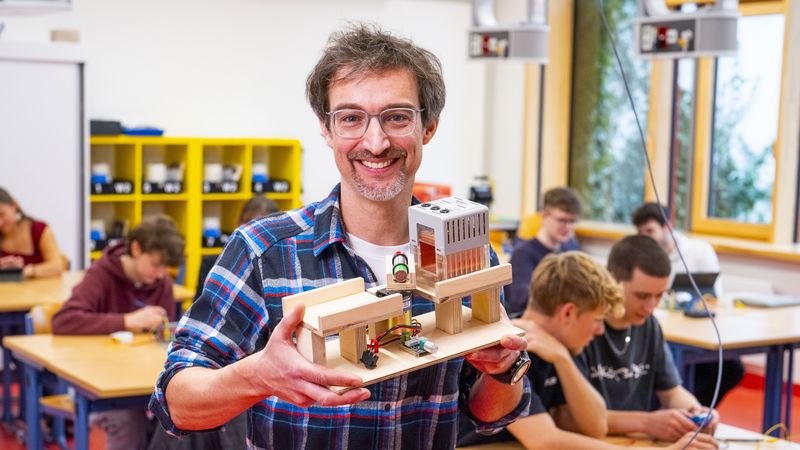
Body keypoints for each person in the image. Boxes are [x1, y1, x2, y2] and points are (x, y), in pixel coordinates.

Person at [150, 24, 531, 450]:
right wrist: (256, 376)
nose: (376, 141)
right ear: (327, 131)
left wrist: (501, 371)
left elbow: (490, 415)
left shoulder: (468, 253)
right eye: (351, 118)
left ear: (429, 127)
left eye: (397, 116)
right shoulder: (263, 252)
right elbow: (174, 404)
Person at [459, 252, 717, 450]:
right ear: (568, 312)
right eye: (597, 320)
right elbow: (546, 441)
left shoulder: (558, 349)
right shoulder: (508, 348)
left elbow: (595, 426)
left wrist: (562, 359)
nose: (600, 331)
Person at [52, 214, 185, 450]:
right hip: (95, 382)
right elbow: (64, 321)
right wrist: (126, 321)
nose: (161, 274)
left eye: (166, 268)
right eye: (156, 264)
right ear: (135, 248)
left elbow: (166, 337)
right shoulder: (102, 273)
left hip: (141, 381)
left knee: (179, 417)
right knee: (128, 420)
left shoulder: (161, 283)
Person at [576, 235, 720, 443]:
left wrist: (695, 411)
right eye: (642, 296)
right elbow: (572, 417)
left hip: (635, 442)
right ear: (611, 280)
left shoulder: (649, 325)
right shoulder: (585, 327)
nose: (651, 306)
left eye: (660, 295)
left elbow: (671, 392)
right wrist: (647, 422)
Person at [632, 203, 743, 406]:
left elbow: (713, 295)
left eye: (650, 231)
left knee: (732, 369)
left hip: (700, 330)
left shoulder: (698, 250)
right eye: (641, 232)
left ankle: (695, 410)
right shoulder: (641, 258)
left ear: (668, 226)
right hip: (665, 331)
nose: (645, 237)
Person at [505, 187, 581, 318]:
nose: (568, 227)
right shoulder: (523, 254)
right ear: (544, 216)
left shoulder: (571, 248)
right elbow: (521, 300)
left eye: (572, 221)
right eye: (562, 220)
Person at [193, 196, 279, 301]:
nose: (254, 235)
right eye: (249, 226)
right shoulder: (212, 263)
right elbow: (200, 309)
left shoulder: (278, 268)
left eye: (262, 231)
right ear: (238, 224)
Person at [0, 186, 65, 279]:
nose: (0, 223)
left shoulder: (40, 230)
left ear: (14, 205)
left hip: (42, 292)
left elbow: (57, 267)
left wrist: (26, 271)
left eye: (2, 214)